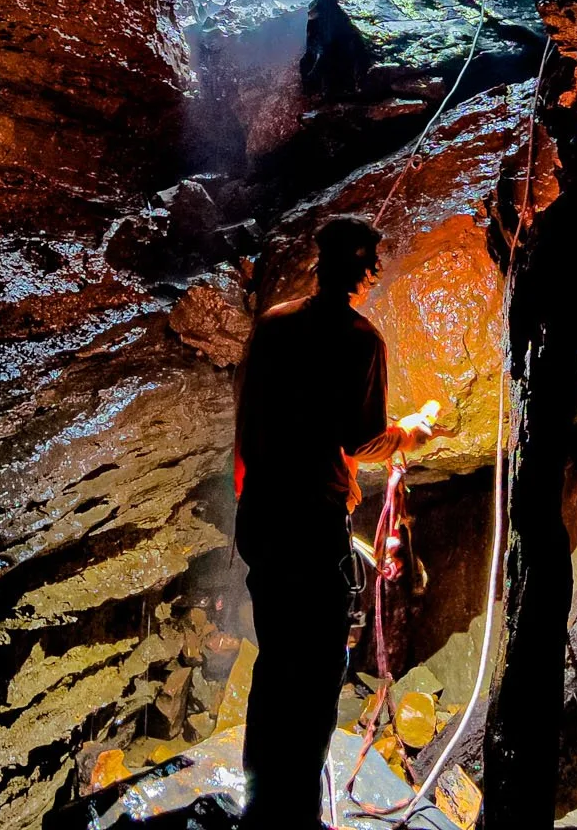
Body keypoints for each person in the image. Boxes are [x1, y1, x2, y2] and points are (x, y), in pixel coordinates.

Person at [232, 215, 433, 829]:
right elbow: (363, 437)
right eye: (372, 262)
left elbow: (247, 414)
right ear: (357, 267)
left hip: (263, 518)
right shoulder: (359, 339)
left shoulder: (272, 325)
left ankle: (262, 801)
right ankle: (295, 816)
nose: (376, 272)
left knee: (275, 661)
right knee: (319, 669)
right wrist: (411, 433)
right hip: (312, 525)